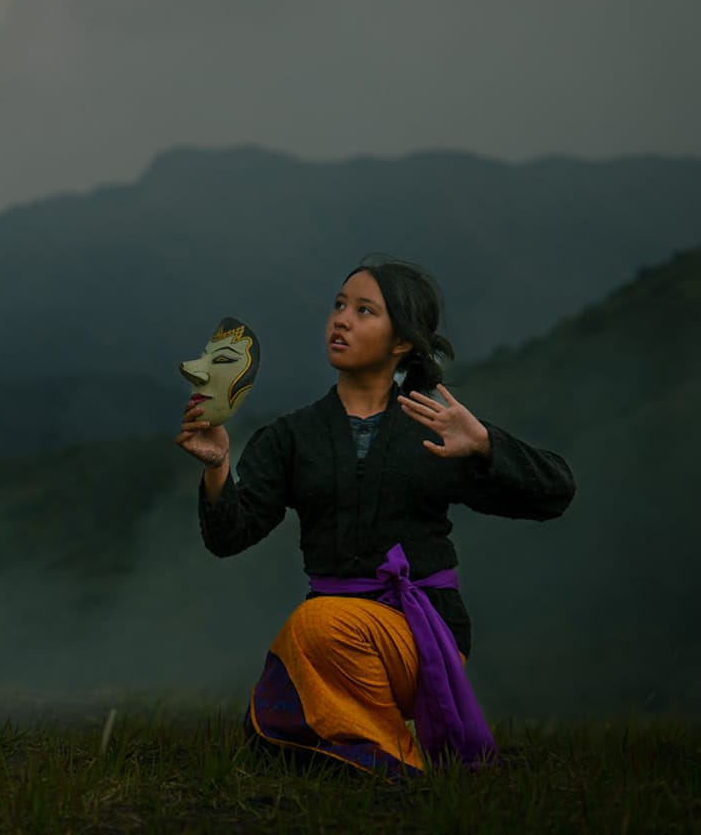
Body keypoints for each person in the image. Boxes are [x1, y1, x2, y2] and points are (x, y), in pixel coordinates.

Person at [176, 257, 576, 777]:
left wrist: (482, 444)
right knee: (314, 637)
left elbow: (555, 492)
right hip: (335, 637)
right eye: (339, 305)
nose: (341, 319)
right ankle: (378, 744)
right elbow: (230, 535)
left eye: (365, 311)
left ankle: (395, 761)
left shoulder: (435, 427)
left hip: (425, 636)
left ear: (402, 342)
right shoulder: (290, 437)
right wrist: (218, 469)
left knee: (313, 628)